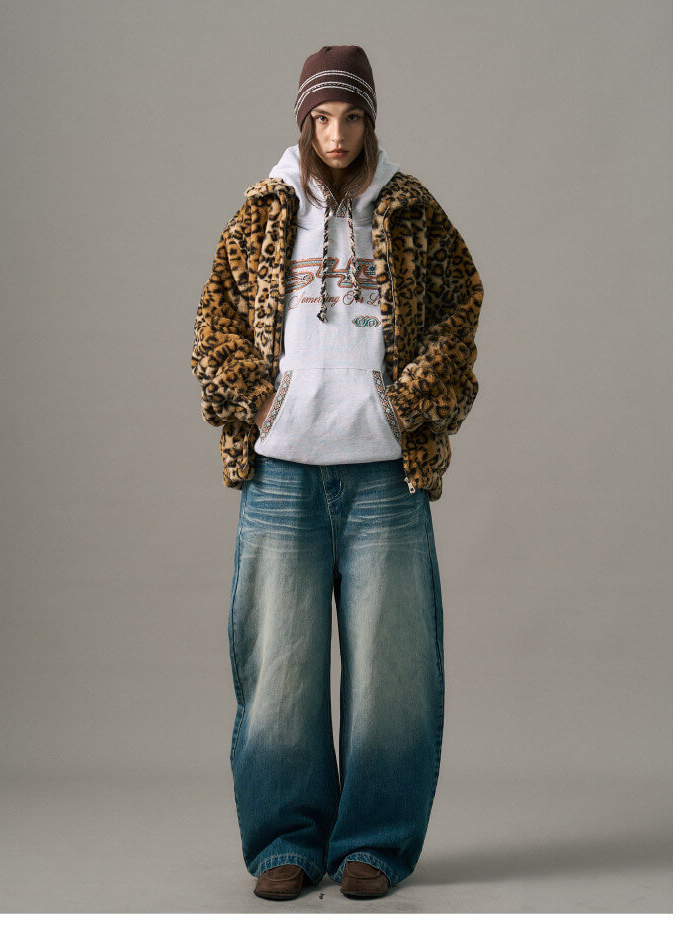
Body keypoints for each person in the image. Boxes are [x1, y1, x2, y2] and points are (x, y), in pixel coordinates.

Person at [191, 44, 484, 901]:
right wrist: (262, 403)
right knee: (278, 668)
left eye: (352, 116)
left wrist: (405, 407)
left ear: (370, 119)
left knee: (393, 670)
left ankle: (374, 842)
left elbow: (462, 303)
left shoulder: (409, 208)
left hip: (386, 475)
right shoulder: (263, 210)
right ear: (302, 120)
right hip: (282, 471)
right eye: (321, 118)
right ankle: (285, 840)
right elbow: (213, 320)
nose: (336, 134)